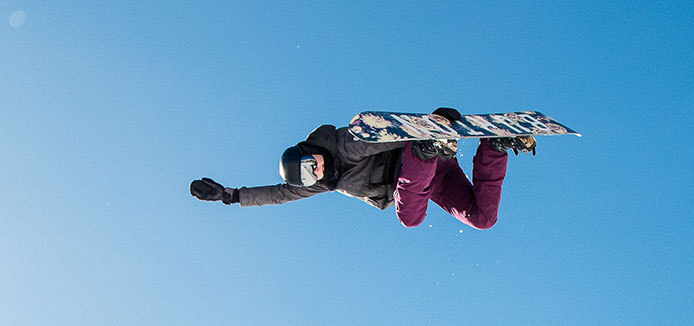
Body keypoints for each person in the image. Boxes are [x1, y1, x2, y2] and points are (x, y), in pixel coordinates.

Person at [190, 107, 535, 230]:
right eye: (311, 175)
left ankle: (427, 151)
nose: (318, 171)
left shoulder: (343, 145)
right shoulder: (320, 183)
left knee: (411, 218)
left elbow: (383, 138)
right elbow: (279, 195)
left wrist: (428, 128)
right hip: (431, 175)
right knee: (482, 219)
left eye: (311, 164)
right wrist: (232, 196)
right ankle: (496, 147)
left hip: (417, 163)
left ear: (308, 151)